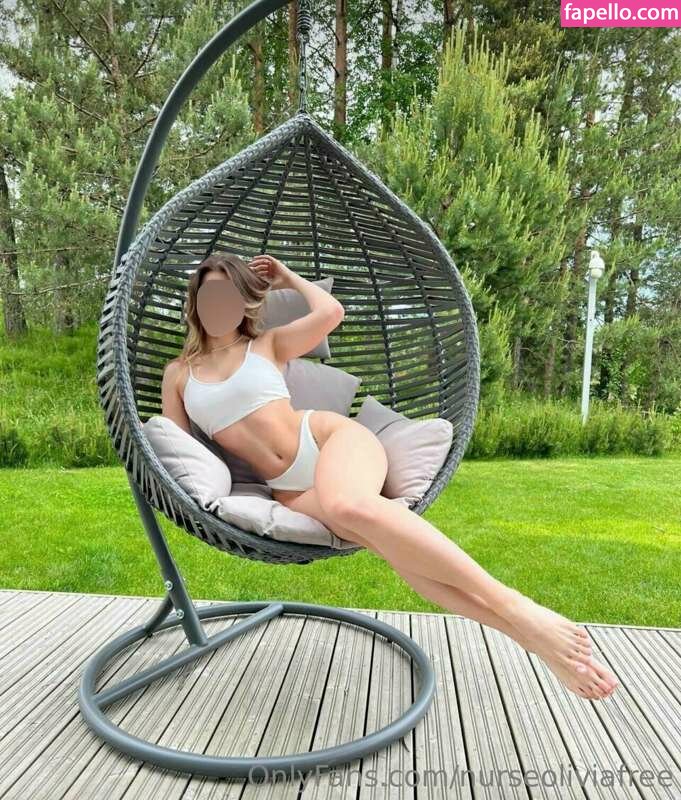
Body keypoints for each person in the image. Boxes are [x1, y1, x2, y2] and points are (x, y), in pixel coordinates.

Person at [161, 251, 620, 702]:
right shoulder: (179, 375)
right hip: (291, 490)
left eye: (228, 295)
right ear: (195, 303)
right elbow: (178, 444)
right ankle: (531, 637)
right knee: (391, 548)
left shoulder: (266, 345)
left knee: (346, 504)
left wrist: (288, 278)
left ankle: (515, 605)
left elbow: (331, 313)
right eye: (208, 295)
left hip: (328, 439)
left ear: (244, 303)